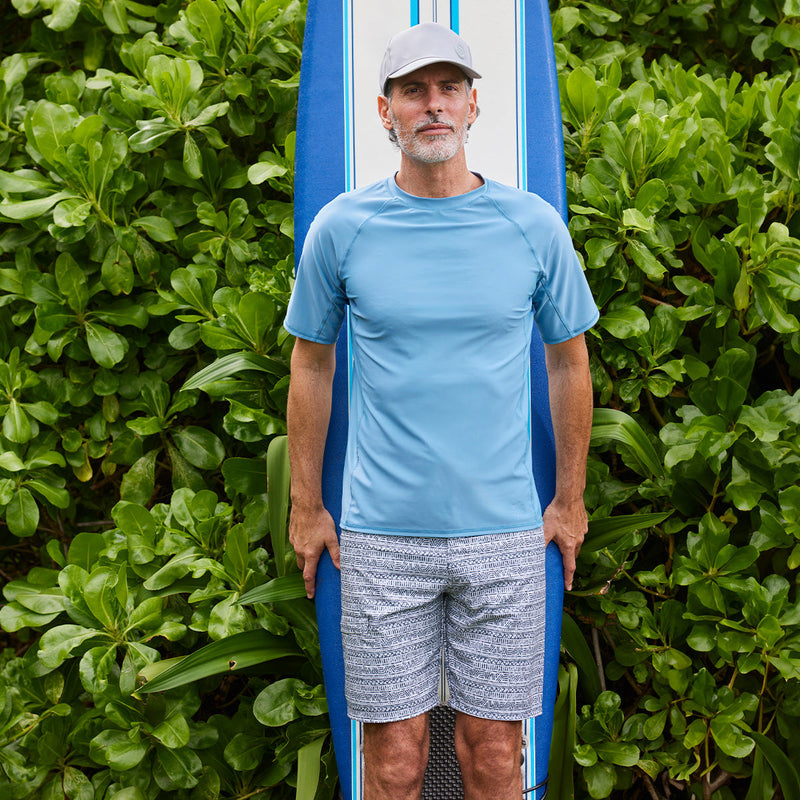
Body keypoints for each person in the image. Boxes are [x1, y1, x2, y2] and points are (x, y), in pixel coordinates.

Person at [284, 22, 598, 800]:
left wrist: (567, 501)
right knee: (393, 764)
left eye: (448, 89)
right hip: (382, 539)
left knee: (494, 758)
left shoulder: (530, 225)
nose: (434, 106)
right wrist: (305, 507)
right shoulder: (343, 228)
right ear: (384, 110)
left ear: (474, 105)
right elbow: (311, 364)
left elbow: (569, 361)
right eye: (415, 92)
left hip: (505, 536)